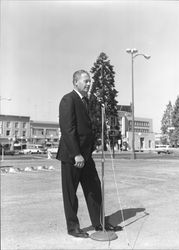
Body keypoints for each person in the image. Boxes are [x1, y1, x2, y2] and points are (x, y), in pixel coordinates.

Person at [56, 69, 122, 238]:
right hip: (72, 156)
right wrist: (76, 154)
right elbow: (68, 129)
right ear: (75, 82)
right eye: (85, 80)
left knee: (94, 188)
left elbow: (89, 128)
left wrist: (93, 147)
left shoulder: (88, 101)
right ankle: (73, 228)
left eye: (89, 80)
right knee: (70, 193)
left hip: (86, 155)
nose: (89, 83)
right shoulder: (68, 99)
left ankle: (99, 223)